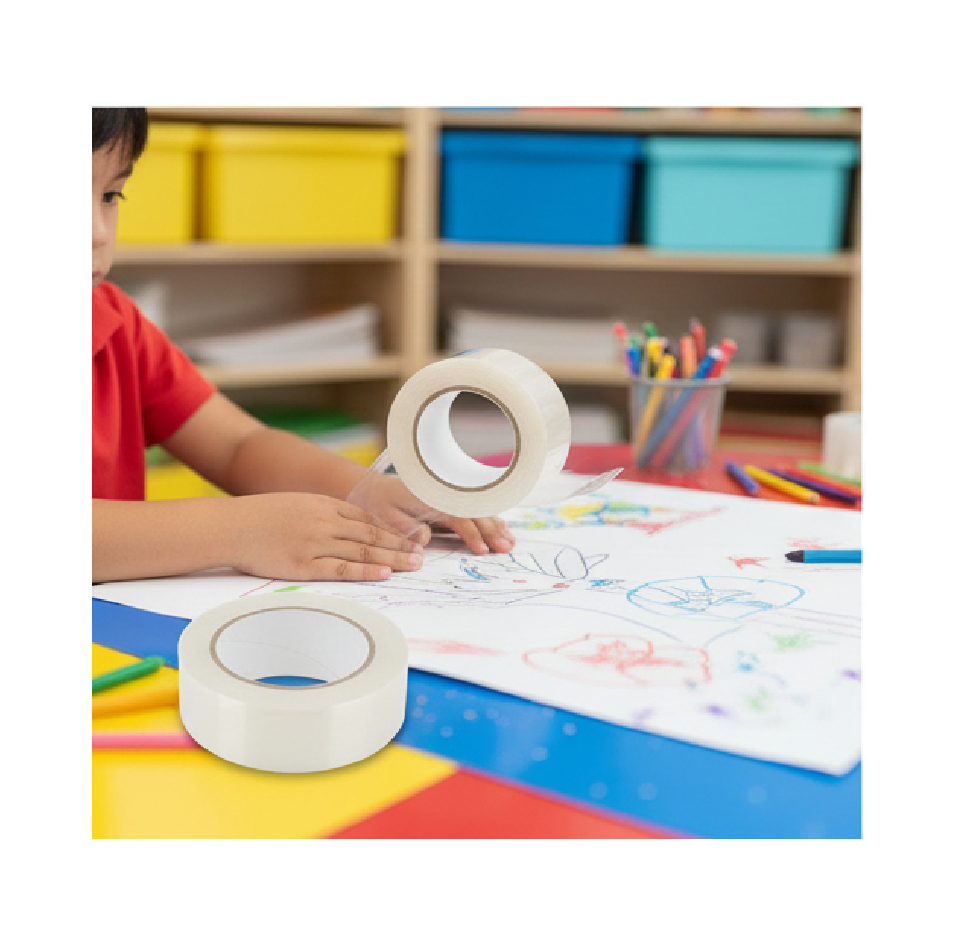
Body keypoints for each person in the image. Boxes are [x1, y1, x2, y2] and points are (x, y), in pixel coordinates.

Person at [93, 108, 515, 584]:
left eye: (110, 195)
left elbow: (238, 446)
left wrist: (368, 491)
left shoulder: (115, 323)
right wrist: (237, 531)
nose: (98, 232)